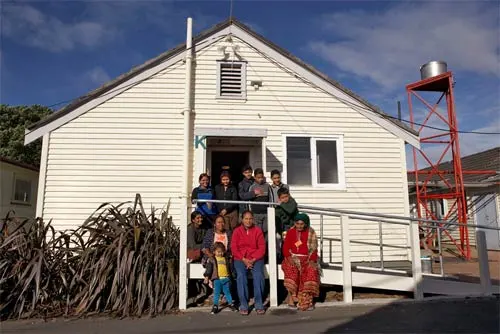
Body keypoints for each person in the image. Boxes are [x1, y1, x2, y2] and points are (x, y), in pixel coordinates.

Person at [281, 213, 320, 311]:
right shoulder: (290, 232)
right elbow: (285, 248)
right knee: (291, 270)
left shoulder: (311, 232)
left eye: (301, 224)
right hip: (292, 257)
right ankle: (291, 298)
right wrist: (289, 257)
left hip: (307, 259)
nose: (299, 226)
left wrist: (312, 260)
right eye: (297, 224)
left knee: (311, 270)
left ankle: (307, 300)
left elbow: (314, 250)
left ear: (306, 224)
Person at [231, 210, 266, 315]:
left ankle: (259, 303)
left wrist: (253, 259)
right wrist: (243, 259)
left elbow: (262, 248)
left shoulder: (258, 231)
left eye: (250, 218)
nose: (248, 221)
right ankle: (244, 304)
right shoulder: (237, 231)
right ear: (242, 219)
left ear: (253, 219)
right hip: (240, 258)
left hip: (256, 258)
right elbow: (234, 248)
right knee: (241, 276)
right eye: (246, 218)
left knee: (258, 275)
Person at [203, 242, 238, 314]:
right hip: (217, 279)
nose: (220, 253)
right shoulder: (212, 259)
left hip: (226, 278)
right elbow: (209, 269)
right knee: (217, 293)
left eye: (222, 252)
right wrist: (207, 277)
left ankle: (231, 303)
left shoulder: (226, 259)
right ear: (214, 252)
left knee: (227, 292)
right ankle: (215, 306)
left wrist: (233, 275)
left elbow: (230, 268)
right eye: (218, 252)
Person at [186, 211, 209, 306]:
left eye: (201, 218)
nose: (200, 220)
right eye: (198, 218)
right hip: (190, 252)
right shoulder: (190, 229)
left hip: (200, 252)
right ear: (193, 220)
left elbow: (207, 241)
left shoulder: (203, 228)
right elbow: (193, 245)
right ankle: (192, 296)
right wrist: (203, 247)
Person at [249, 168, 271, 236]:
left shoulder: (267, 186)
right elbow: (250, 201)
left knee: (266, 230)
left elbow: (270, 199)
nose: (260, 179)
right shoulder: (252, 187)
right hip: (256, 213)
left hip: (266, 213)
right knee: (257, 232)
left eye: (261, 177)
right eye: (258, 178)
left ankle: (265, 246)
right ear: (255, 177)